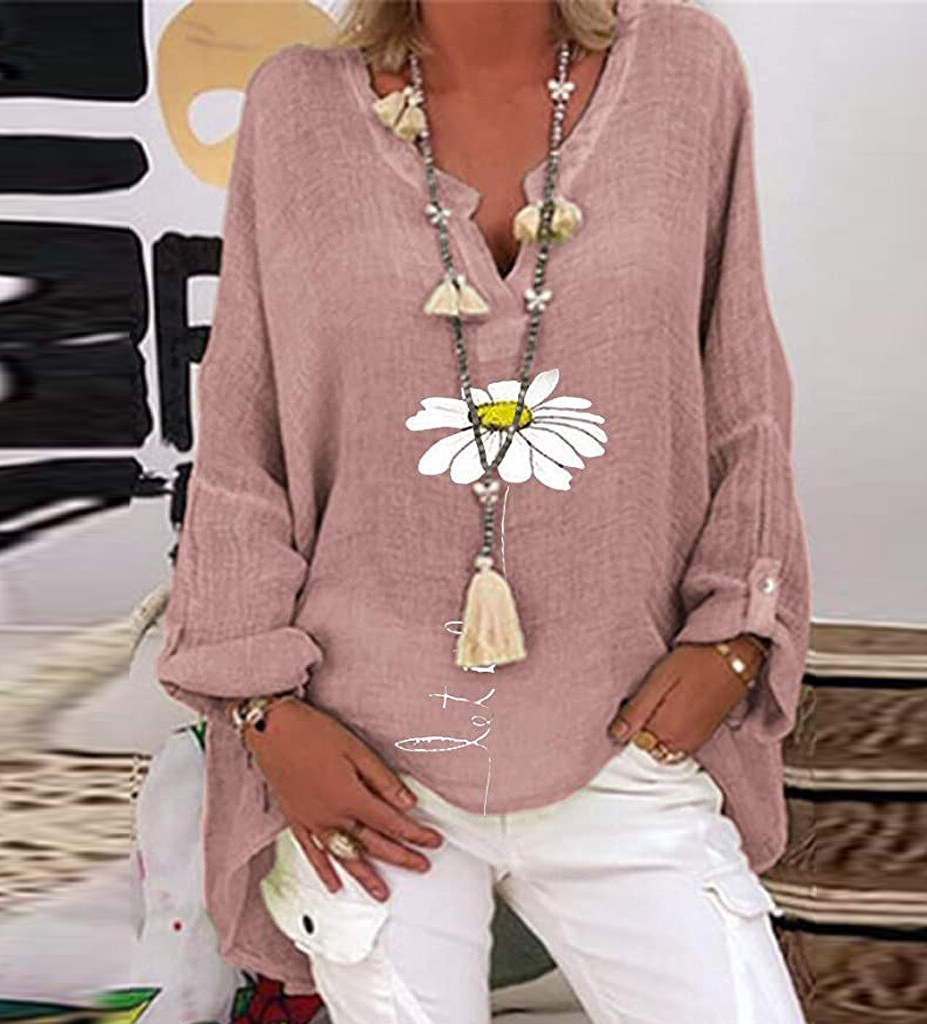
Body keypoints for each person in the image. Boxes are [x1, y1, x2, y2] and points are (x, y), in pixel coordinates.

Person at [156, 0, 812, 1021]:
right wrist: (265, 714)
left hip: (622, 729)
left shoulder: (686, 69)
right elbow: (244, 427)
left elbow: (741, 383)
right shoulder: (297, 107)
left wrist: (737, 632)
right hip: (362, 758)